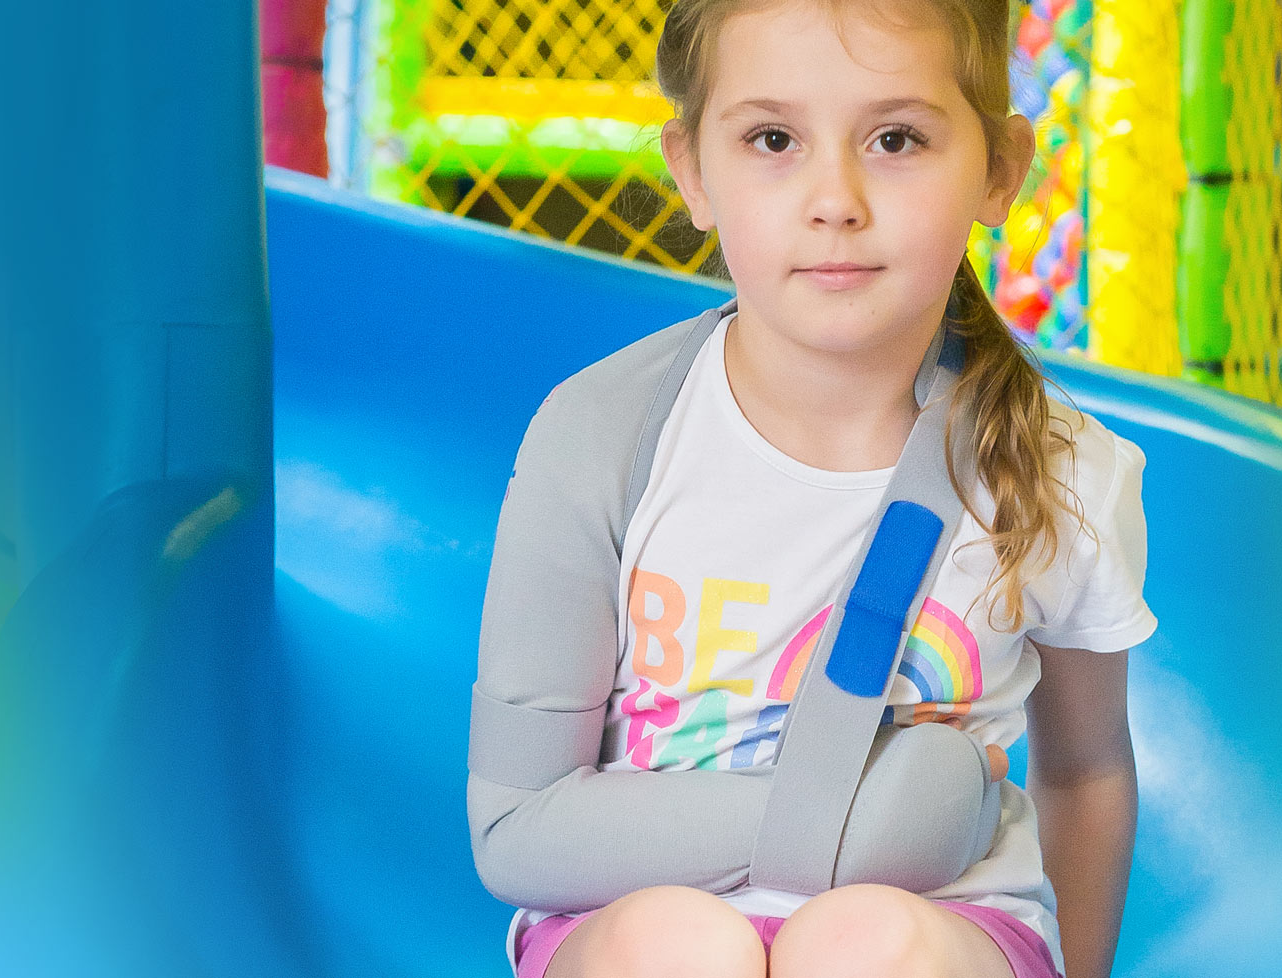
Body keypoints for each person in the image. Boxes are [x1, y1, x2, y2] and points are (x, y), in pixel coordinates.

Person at [468, 1, 1156, 976]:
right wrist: (883, 822)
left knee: (865, 945)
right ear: (693, 171)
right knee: (680, 948)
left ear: (1000, 171)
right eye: (774, 139)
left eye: (896, 139)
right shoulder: (600, 435)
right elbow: (517, 828)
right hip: (627, 923)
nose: (836, 199)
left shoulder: (1058, 472)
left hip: (944, 929)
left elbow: (1085, 774)